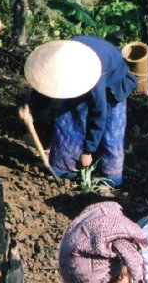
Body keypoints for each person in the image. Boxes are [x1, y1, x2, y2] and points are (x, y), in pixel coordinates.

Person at [19, 37, 137, 186]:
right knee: (67, 121)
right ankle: (62, 170)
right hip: (84, 67)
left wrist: (88, 151)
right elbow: (45, 86)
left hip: (111, 80)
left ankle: (110, 179)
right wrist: (30, 107)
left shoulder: (94, 75)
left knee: (110, 132)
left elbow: (98, 114)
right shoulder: (59, 58)